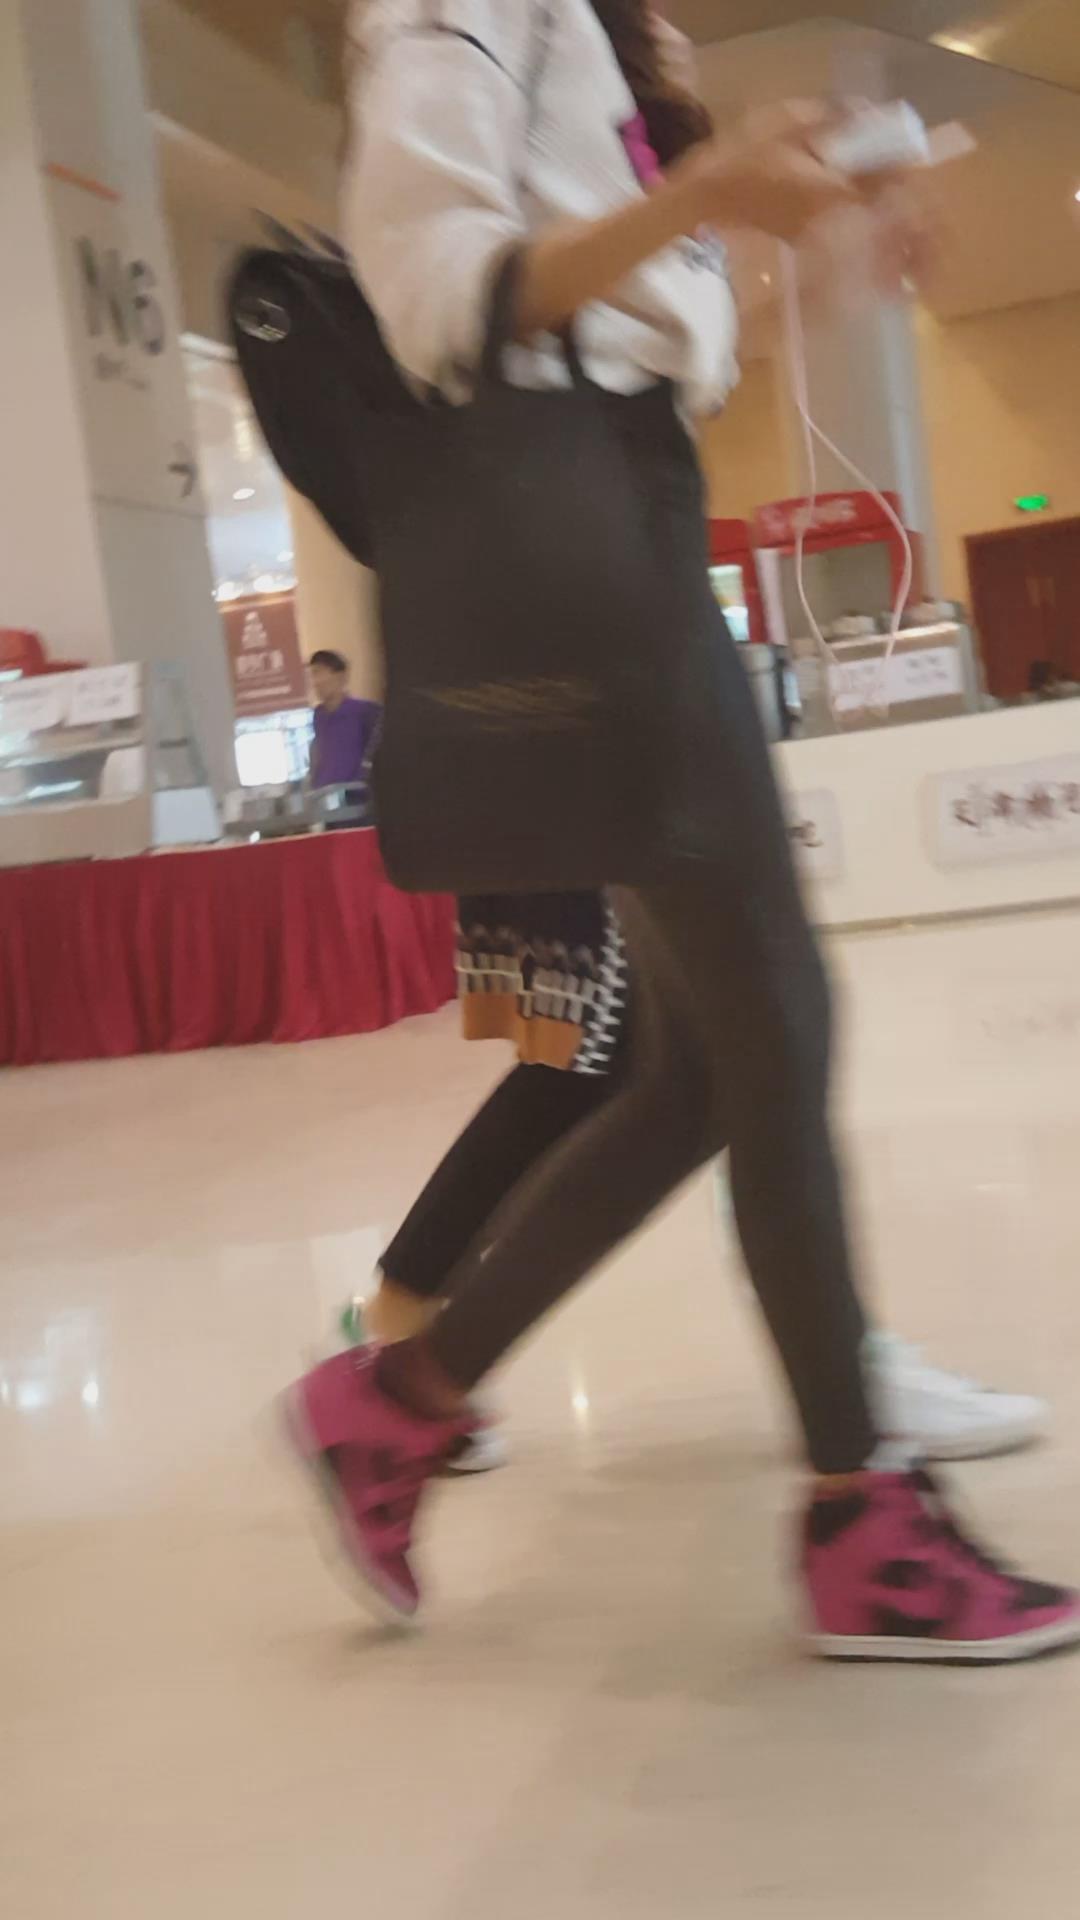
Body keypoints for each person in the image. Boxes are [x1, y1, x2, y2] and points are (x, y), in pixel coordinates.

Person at [284, 0, 1079, 1663]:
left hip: (620, 518)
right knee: (773, 1027)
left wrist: (799, 233)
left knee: (704, 1071)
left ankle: (399, 1400)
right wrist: (709, 195)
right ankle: (863, 1523)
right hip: (582, 548)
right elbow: (436, 296)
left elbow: (628, 317)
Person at [338, 889, 1048, 1472]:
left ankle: (405, 1345)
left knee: (630, 1052)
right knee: (698, 1041)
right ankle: (846, 1388)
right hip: (598, 772)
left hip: (587, 776)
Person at [307, 648, 381, 793]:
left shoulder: (365, 711)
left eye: (319, 672)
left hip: (356, 795)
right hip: (325, 797)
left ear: (340, 677)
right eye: (313, 674)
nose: (316, 682)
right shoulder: (319, 716)